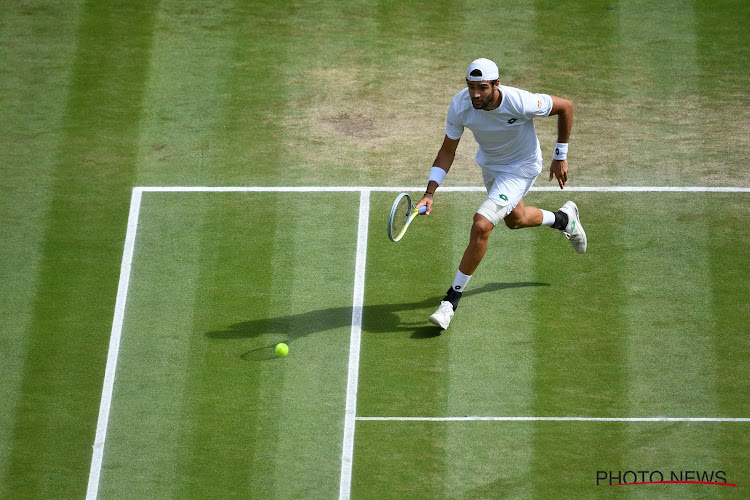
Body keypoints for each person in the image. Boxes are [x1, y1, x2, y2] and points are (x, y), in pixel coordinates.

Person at [416, 58, 587, 330]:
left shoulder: (520, 101)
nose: (475, 94)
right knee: (515, 218)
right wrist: (430, 192)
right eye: (471, 87)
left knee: (481, 224)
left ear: (497, 84)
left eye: (482, 88)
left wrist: (560, 156)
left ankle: (450, 301)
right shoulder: (461, 105)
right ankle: (565, 219)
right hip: (491, 167)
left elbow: (566, 106)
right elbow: (447, 150)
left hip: (520, 168)